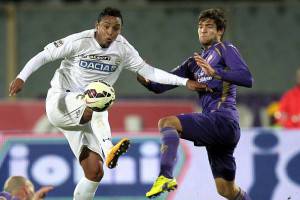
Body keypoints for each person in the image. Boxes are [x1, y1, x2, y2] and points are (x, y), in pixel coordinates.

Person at [8, 7, 206, 200]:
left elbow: (150, 72)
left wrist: (185, 82)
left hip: (86, 114)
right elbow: (44, 55)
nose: (110, 32)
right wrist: (21, 77)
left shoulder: (123, 48)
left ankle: (105, 154)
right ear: (97, 26)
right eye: (106, 26)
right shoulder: (79, 41)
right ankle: (108, 147)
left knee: (94, 172)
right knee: (102, 94)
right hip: (60, 102)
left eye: (116, 28)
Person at [137, 8, 253, 199]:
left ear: (220, 31)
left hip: (223, 119)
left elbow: (247, 78)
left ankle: (165, 175)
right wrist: (145, 76)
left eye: (209, 26)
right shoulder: (194, 62)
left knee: (167, 123)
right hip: (217, 128)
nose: (203, 30)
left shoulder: (225, 49)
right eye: (200, 26)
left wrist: (216, 73)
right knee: (226, 190)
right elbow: (160, 86)